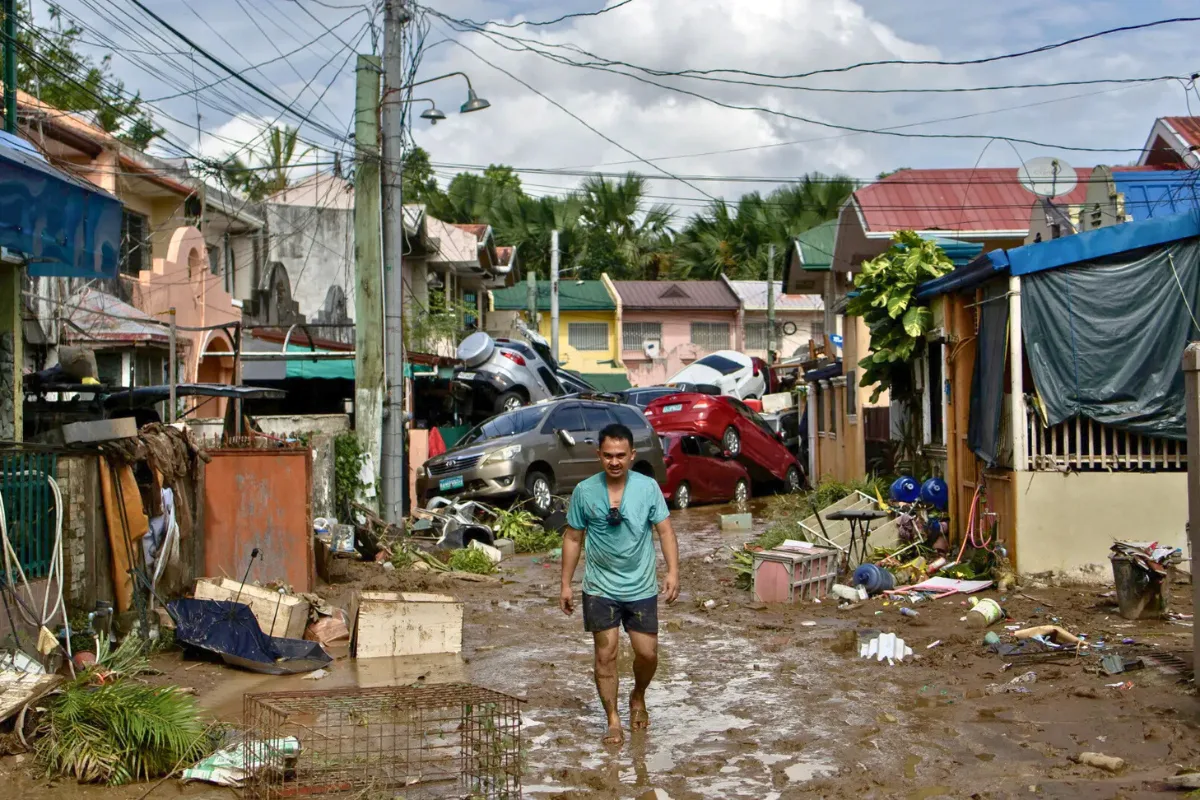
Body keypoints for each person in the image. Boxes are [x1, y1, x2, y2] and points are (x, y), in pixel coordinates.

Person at [559, 422, 680, 745]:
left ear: (632, 455)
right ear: (599, 455)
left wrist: (672, 573)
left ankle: (638, 695)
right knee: (606, 653)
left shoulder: (648, 488)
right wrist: (566, 584)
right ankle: (612, 720)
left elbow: (665, 531)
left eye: (621, 456)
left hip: (640, 586)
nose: (614, 462)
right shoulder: (585, 492)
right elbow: (573, 537)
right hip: (599, 587)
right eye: (608, 455)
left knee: (647, 654)